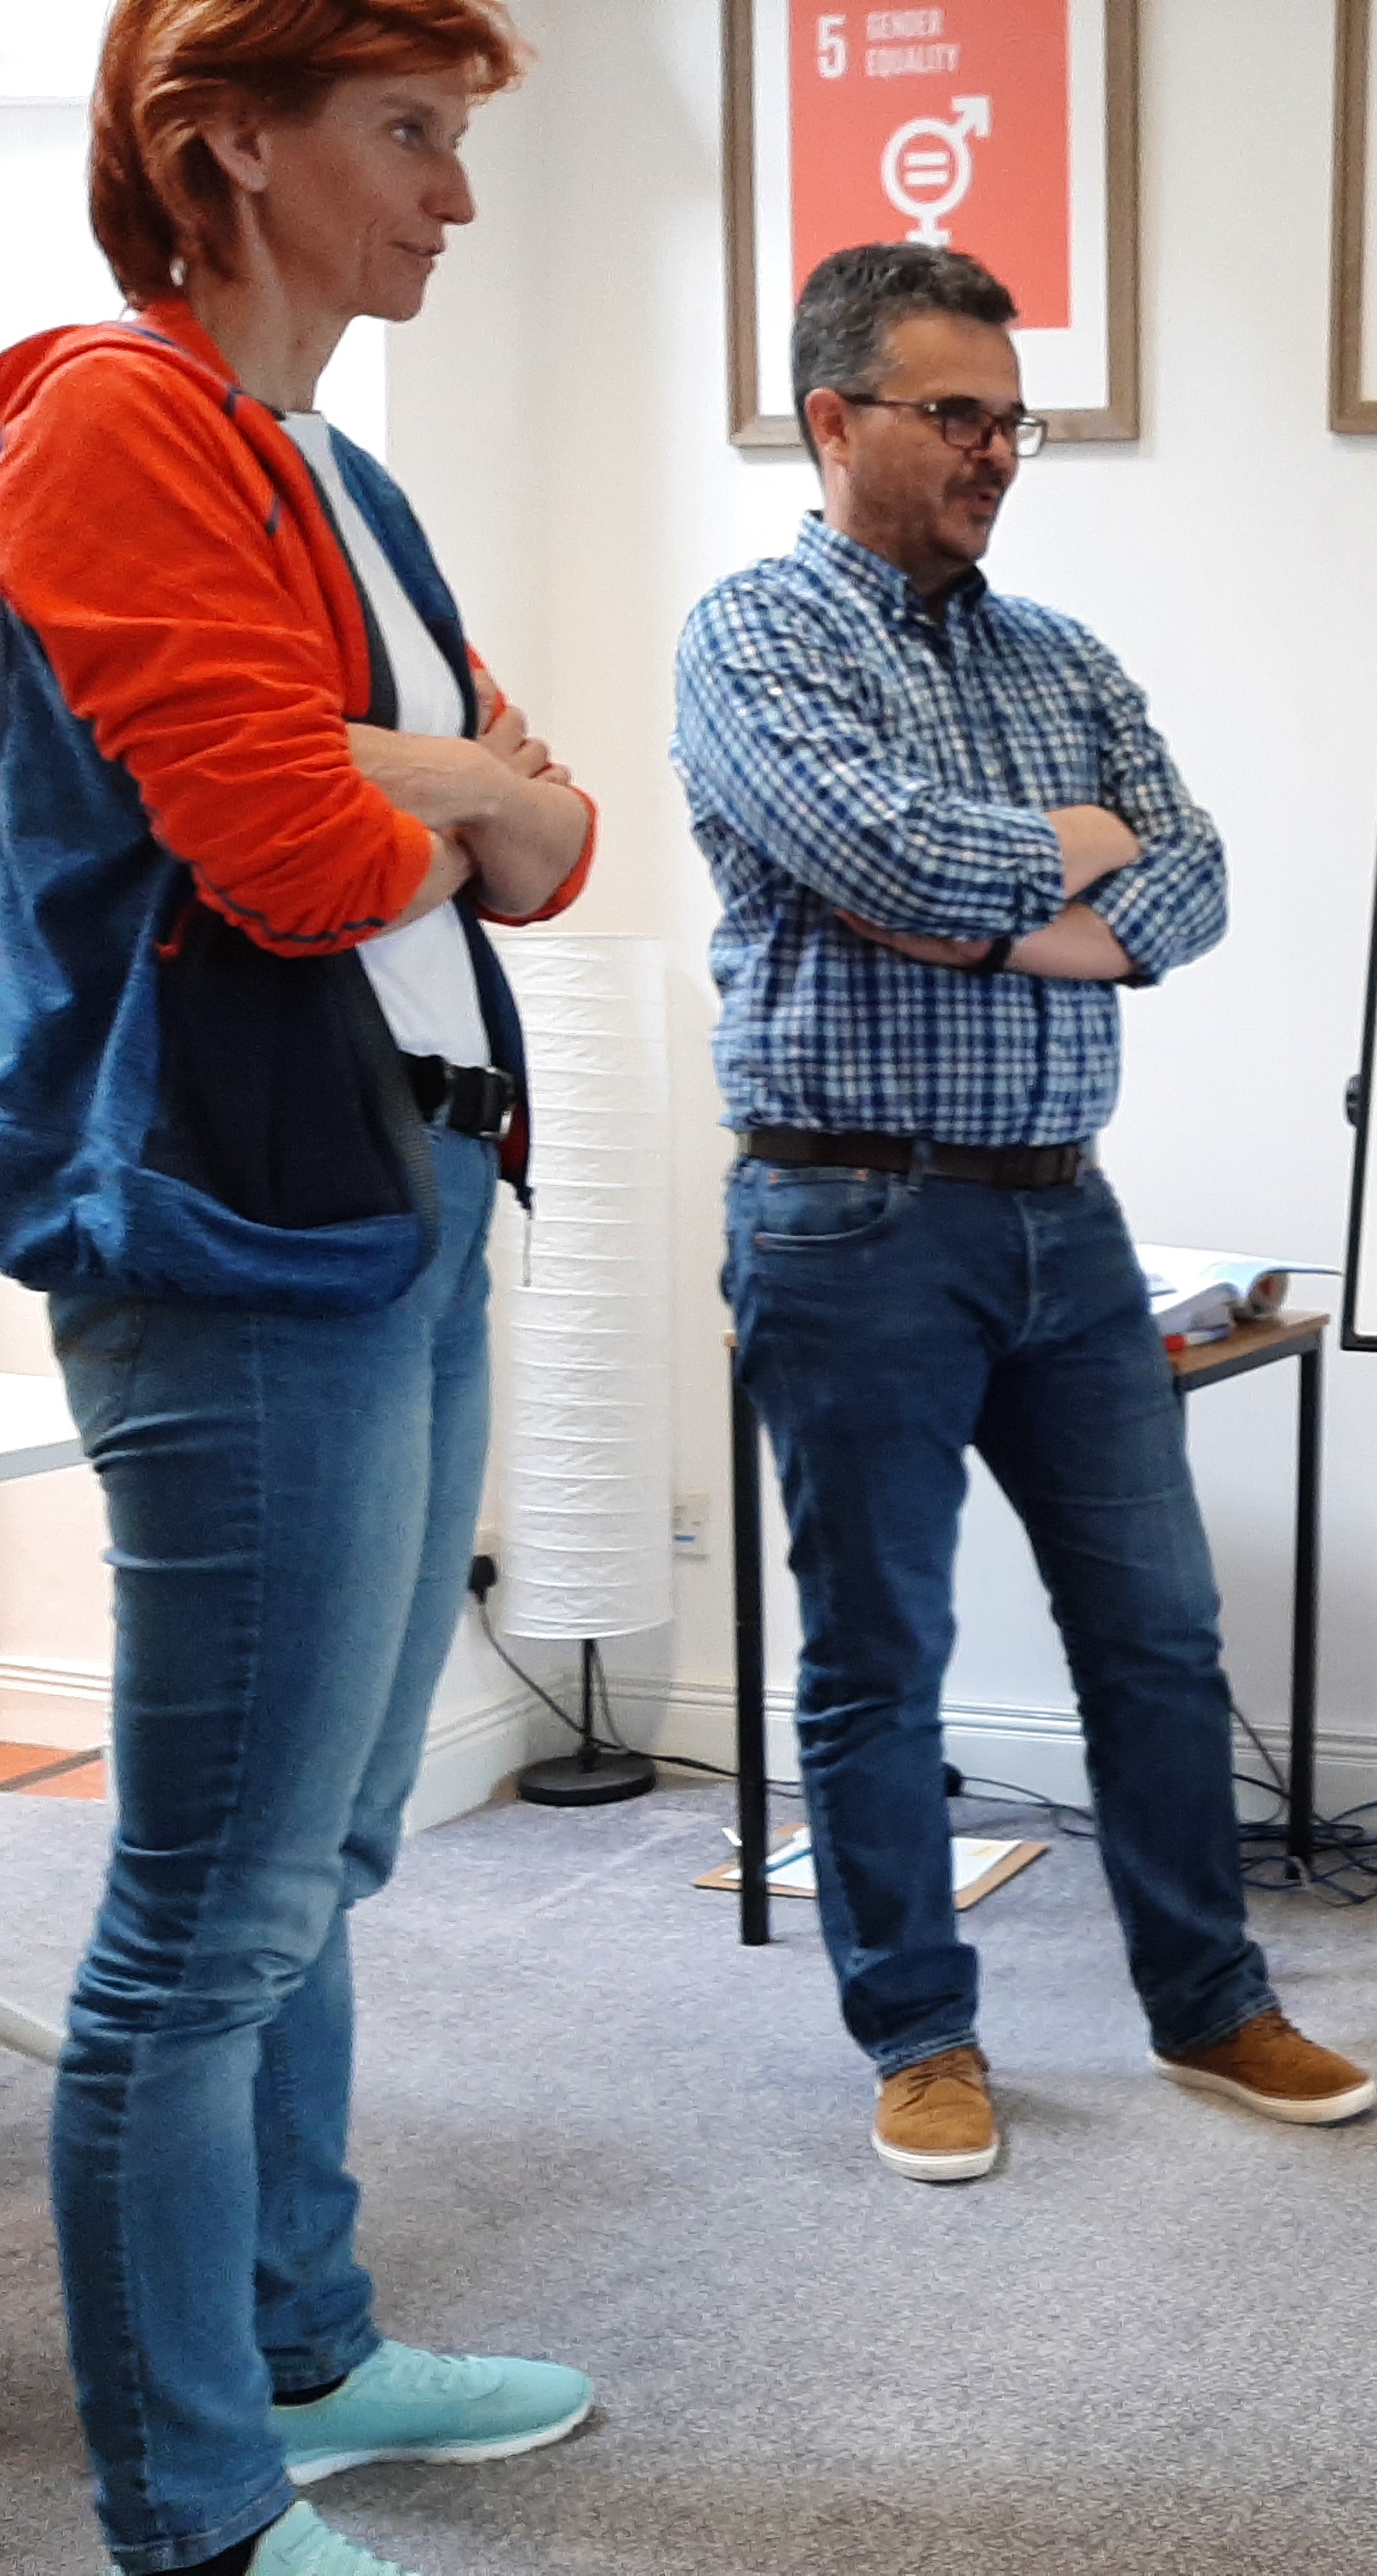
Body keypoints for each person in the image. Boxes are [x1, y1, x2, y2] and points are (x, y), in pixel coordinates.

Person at [0, 6, 600, 2570]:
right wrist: (439, 787)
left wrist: (433, 782)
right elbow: (287, 856)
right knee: (209, 1912)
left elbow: (560, 843)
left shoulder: (335, 472)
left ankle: (304, 2349)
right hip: (237, 1236)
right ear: (223, 141)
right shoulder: (109, 423)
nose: (456, 192)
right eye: (409, 134)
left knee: (322, 1850)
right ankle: (196, 2512)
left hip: (411, 1195)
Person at [672, 242, 1374, 2188]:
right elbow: (876, 852)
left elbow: (1191, 883)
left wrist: (1005, 909)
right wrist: (1064, 863)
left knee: (1159, 1635)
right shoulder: (753, 637)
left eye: (1011, 419)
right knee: (877, 1657)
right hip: (847, 1219)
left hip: (1070, 1221)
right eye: (954, 414)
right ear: (835, 420)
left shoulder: (1064, 655)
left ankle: (1208, 2003)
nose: (994, 450)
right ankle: (920, 2032)